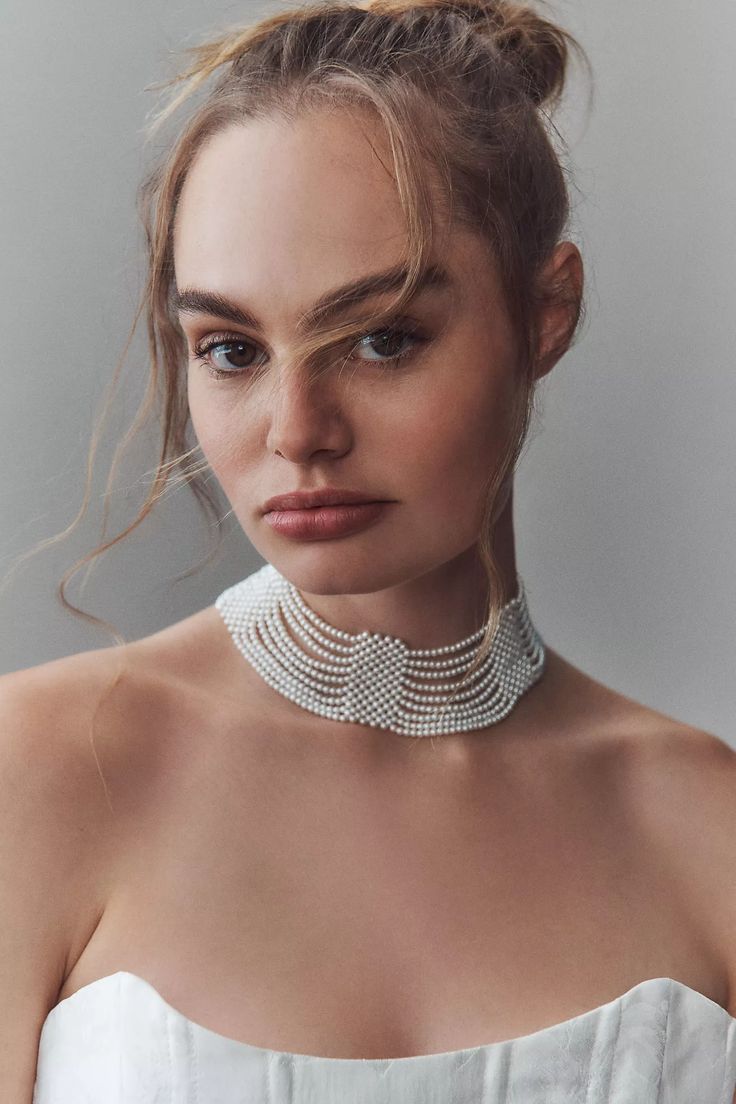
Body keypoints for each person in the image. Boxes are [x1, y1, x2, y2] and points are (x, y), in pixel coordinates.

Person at [1, 0, 734, 1100]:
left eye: (380, 338)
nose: (297, 432)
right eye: (233, 349)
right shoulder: (39, 772)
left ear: (546, 313)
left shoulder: (704, 823)